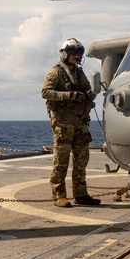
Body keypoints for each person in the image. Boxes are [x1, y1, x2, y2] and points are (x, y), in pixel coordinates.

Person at [41, 38, 101, 208]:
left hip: (80, 122)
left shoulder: (79, 73)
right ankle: (59, 195)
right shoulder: (56, 73)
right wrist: (68, 96)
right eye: (74, 53)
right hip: (64, 124)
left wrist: (89, 94)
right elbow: (45, 92)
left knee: (81, 160)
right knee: (61, 161)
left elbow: (87, 89)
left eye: (79, 53)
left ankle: (81, 195)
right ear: (65, 54)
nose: (77, 56)